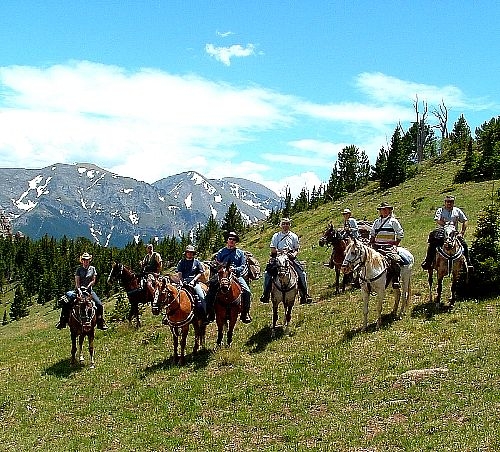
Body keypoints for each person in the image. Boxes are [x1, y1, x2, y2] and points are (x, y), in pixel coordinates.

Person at [260, 218, 313, 305]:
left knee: (302, 274)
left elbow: (296, 248)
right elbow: (272, 249)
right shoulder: (276, 236)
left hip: (290, 257)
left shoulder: (294, 236)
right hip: (278, 257)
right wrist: (280, 252)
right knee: (267, 274)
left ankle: (304, 295)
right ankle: (265, 294)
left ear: (289, 225)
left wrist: (294, 254)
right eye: (283, 224)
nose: (285, 226)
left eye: (287, 224)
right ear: (281, 225)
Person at [204, 232, 252, 324]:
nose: (232, 241)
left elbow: (242, 266)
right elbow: (217, 263)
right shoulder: (221, 252)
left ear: (236, 242)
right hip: (222, 274)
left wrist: (234, 269)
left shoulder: (240, 253)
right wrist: (221, 268)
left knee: (247, 291)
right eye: (230, 239)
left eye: (234, 240)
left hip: (235, 274)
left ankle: (245, 313)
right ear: (227, 240)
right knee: (211, 290)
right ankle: (210, 313)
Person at [56, 252, 108, 330]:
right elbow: (77, 282)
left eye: (87, 260)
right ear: (82, 261)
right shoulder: (79, 270)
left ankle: (100, 322)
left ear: (89, 260)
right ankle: (63, 320)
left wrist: (88, 287)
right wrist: (79, 290)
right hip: (79, 290)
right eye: (84, 260)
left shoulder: (92, 269)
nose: (86, 261)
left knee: (99, 304)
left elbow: (93, 280)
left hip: (89, 291)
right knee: (67, 303)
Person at [421, 195, 473, 270]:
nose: (449, 204)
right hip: (442, 232)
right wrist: (446, 225)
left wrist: (462, 232)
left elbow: (465, 220)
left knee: (464, 245)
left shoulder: (457, 211)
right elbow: (437, 220)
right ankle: (428, 262)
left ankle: (468, 263)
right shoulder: (440, 210)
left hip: (453, 233)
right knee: (432, 245)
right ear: (445, 202)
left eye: (451, 202)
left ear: (453, 203)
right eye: (448, 202)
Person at [369, 202, 404, 289]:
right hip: (376, 246)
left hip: (388, 246)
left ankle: (396, 280)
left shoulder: (393, 221)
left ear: (389, 210)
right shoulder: (376, 222)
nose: (383, 211)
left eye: (385, 209)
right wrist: (371, 241)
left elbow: (400, 234)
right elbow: (372, 233)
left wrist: (395, 244)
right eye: (382, 209)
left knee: (395, 259)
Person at [176, 245, 209, 325]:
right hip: (184, 281)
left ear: (193, 254)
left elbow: (200, 272)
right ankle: (169, 316)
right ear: (186, 253)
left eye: (191, 253)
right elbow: (179, 273)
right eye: (188, 252)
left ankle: (205, 316)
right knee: (173, 296)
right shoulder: (181, 262)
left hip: (194, 282)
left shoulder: (197, 262)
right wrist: (181, 281)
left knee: (202, 297)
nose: (189, 254)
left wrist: (194, 280)